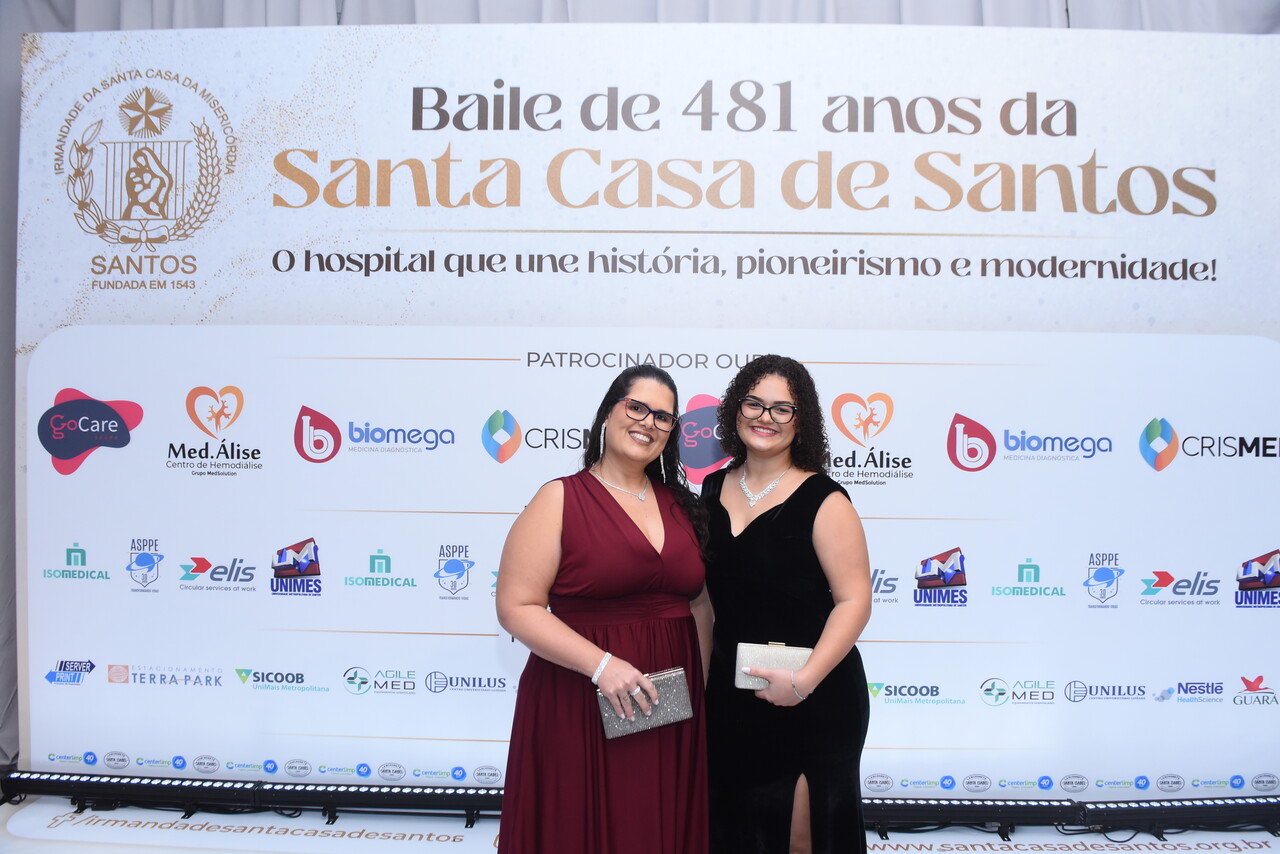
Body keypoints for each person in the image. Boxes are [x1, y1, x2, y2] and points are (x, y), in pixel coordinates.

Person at [495, 365, 711, 854]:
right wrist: (602, 666)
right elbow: (516, 606)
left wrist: (698, 689)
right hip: (580, 700)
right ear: (608, 413)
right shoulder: (559, 498)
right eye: (637, 407)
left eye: (663, 417)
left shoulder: (682, 505)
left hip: (669, 710)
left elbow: (697, 603)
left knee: (656, 828)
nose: (648, 422)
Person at [701, 355, 872, 854]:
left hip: (813, 698)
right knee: (734, 832)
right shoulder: (711, 489)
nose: (765, 417)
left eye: (782, 408)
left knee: (801, 837)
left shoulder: (826, 499)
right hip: (731, 700)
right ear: (735, 410)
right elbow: (704, 601)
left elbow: (855, 601)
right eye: (754, 404)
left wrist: (803, 681)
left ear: (802, 420)